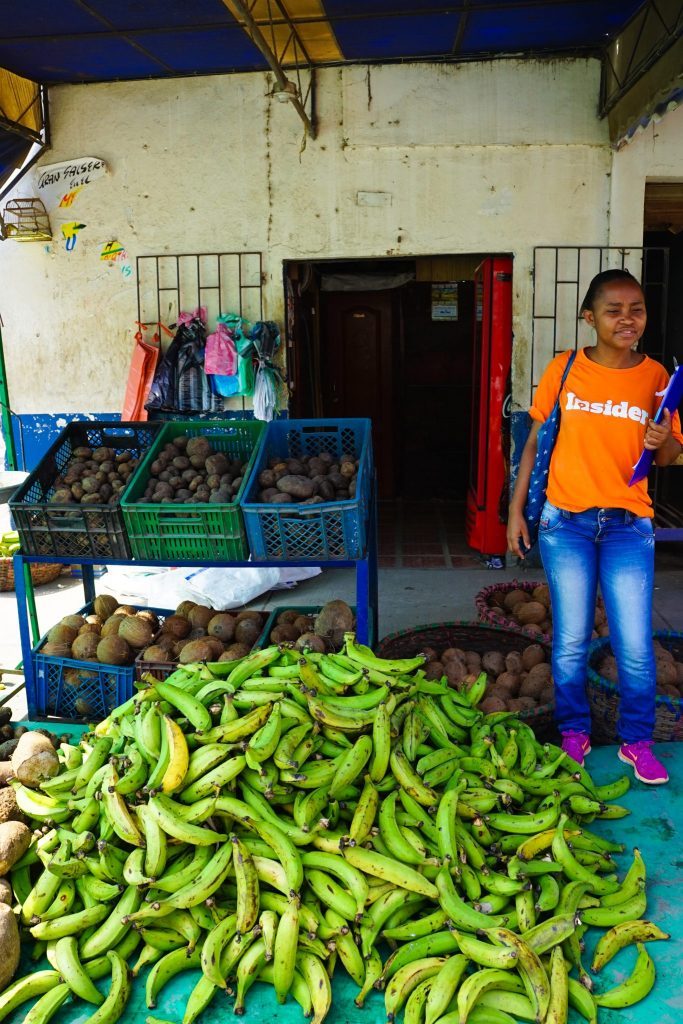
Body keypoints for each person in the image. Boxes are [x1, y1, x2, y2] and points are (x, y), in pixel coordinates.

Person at [507, 269, 683, 784]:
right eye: (614, 310)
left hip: (630, 526)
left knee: (633, 641)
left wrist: (661, 442)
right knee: (570, 639)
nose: (628, 319)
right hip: (566, 524)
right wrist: (517, 510)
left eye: (637, 310)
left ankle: (637, 741)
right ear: (590, 318)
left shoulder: (658, 379)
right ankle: (574, 732)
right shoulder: (564, 369)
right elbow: (536, 444)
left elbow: (673, 455)